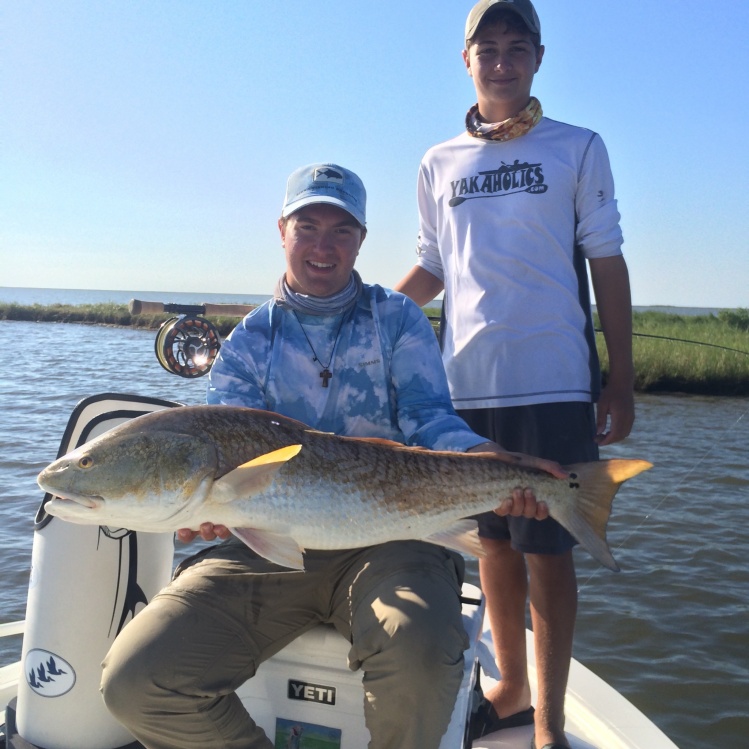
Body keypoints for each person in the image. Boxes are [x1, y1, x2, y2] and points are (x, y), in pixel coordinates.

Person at [99, 162, 562, 749]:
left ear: (361, 239)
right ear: (282, 231)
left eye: (341, 230)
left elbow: (430, 420)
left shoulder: (396, 319)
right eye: (307, 225)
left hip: (393, 537)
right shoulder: (246, 346)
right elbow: (220, 457)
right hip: (259, 548)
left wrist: (492, 459)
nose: (323, 245)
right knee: (135, 680)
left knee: (421, 658)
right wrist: (206, 515)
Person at [394, 3, 635, 749]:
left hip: (553, 382)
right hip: (462, 388)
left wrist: (619, 378)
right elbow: (433, 265)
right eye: (486, 48)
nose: (500, 61)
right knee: (494, 544)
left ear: (537, 57)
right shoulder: (437, 163)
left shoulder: (578, 147)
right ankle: (510, 683)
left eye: (515, 48)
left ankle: (549, 720)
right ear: (464, 59)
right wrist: (371, 312)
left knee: (548, 549)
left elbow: (606, 259)